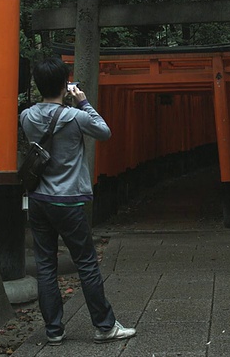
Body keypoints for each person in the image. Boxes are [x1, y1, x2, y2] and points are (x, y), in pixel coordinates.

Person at [20, 57, 136, 345]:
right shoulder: (74, 116)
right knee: (85, 262)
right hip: (68, 200)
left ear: (37, 85)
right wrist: (82, 101)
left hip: (38, 199)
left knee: (45, 264)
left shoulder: (26, 116)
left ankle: (54, 330)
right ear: (64, 84)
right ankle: (104, 326)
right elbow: (104, 131)